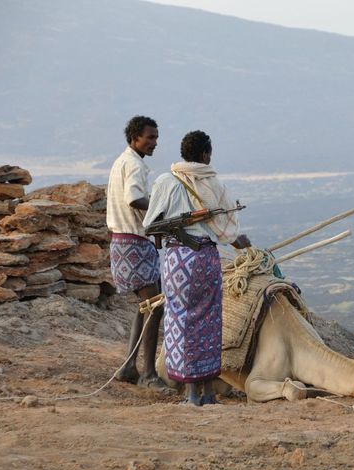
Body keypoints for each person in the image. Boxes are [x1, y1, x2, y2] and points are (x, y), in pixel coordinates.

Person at [144, 130, 250, 406]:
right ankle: (208, 393)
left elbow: (150, 224)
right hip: (206, 260)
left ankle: (191, 395)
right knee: (209, 323)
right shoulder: (213, 184)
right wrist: (247, 247)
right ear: (205, 155)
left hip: (177, 262)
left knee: (181, 322)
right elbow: (229, 231)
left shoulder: (166, 181)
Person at [107, 115, 170, 393]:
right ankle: (148, 374)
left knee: (145, 306)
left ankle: (129, 367)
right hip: (133, 244)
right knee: (156, 305)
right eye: (150, 137)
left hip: (123, 243)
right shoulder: (134, 164)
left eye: (156, 137)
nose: (154, 142)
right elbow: (134, 198)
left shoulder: (122, 161)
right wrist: (161, 207)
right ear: (135, 138)